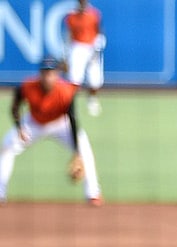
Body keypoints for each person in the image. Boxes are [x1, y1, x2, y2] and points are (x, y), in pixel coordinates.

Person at [1, 56, 102, 206]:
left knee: (84, 148)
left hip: (61, 123)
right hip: (33, 123)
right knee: (7, 145)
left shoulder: (65, 91)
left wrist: (76, 151)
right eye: (45, 73)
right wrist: (19, 127)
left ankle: (93, 193)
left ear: (57, 74)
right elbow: (15, 107)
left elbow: (73, 119)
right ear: (40, 74)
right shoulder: (27, 87)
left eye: (51, 73)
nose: (48, 76)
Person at [65, 0, 105, 117]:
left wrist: (97, 47)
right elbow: (69, 35)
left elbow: (99, 31)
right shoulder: (71, 16)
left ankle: (92, 100)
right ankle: (71, 106)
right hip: (77, 48)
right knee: (74, 79)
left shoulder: (94, 14)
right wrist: (66, 54)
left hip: (92, 47)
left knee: (95, 80)